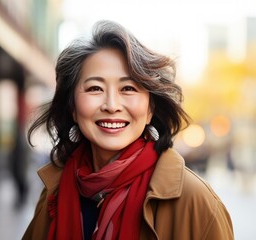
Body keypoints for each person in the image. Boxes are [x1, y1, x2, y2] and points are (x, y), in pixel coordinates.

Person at [23, 20, 233, 240]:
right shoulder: (53, 193)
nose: (112, 105)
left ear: (150, 108)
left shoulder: (197, 203)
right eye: (95, 88)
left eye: (128, 88)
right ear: (72, 107)